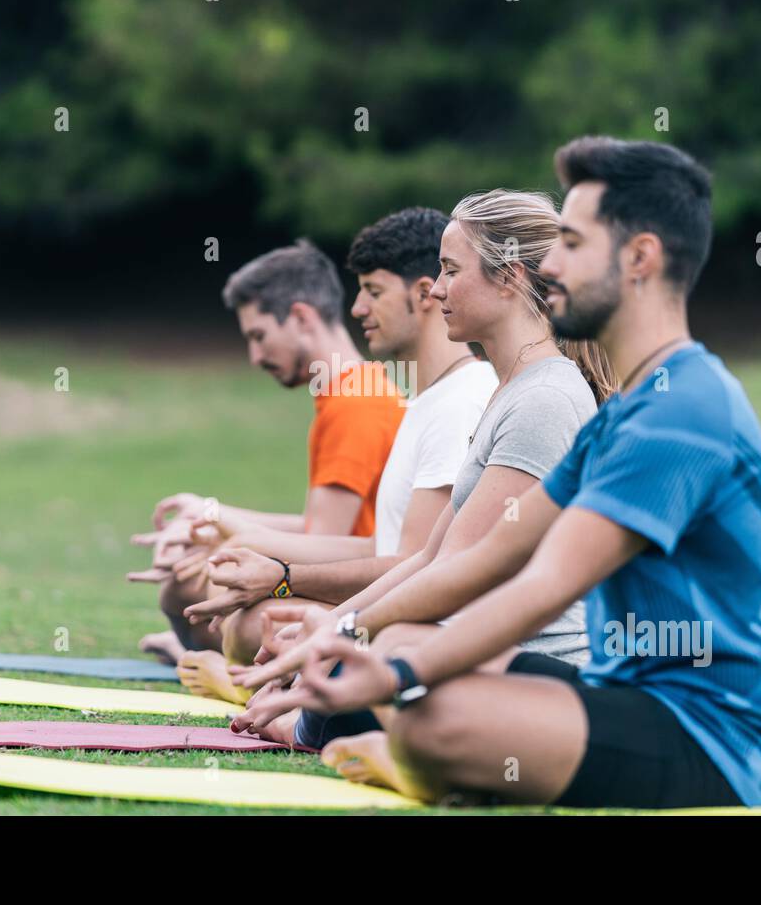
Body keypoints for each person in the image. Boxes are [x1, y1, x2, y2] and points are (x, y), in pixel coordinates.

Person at [237, 137, 761, 811]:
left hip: (713, 738)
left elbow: (542, 584)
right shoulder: (623, 412)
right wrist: (348, 634)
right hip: (627, 695)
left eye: (571, 241)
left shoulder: (680, 410)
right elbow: (481, 558)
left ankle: (414, 756)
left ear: (641, 258)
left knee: (433, 715)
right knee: (409, 649)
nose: (550, 262)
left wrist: (393, 672)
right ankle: (417, 746)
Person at [224, 188, 617, 745]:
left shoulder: (545, 398)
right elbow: (431, 555)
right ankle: (317, 713)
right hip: (473, 649)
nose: (437, 288)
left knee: (388, 650)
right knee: (368, 648)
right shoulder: (512, 390)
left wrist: (340, 634)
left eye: (452, 270)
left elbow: (456, 571)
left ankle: (306, 724)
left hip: (538, 669)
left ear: (508, 278)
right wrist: (330, 631)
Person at [166, 207, 499, 701]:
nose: (358, 308)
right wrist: (250, 544)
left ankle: (265, 687)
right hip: (390, 609)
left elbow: (415, 564)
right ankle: (275, 680)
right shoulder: (422, 398)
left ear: (423, 294)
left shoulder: (456, 401)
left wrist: (280, 579)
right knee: (244, 617)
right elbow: (379, 545)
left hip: (425, 629)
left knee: (251, 624)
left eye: (374, 292)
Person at [131, 239, 405, 661]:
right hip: (340, 573)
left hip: (358, 592)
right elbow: (323, 527)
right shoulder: (347, 394)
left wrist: (225, 532)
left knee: (210, 589)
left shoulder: (358, 402)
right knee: (194, 573)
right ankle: (205, 645)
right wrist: (208, 515)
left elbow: (324, 543)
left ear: (300, 317)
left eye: (259, 336)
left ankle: (211, 650)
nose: (255, 356)